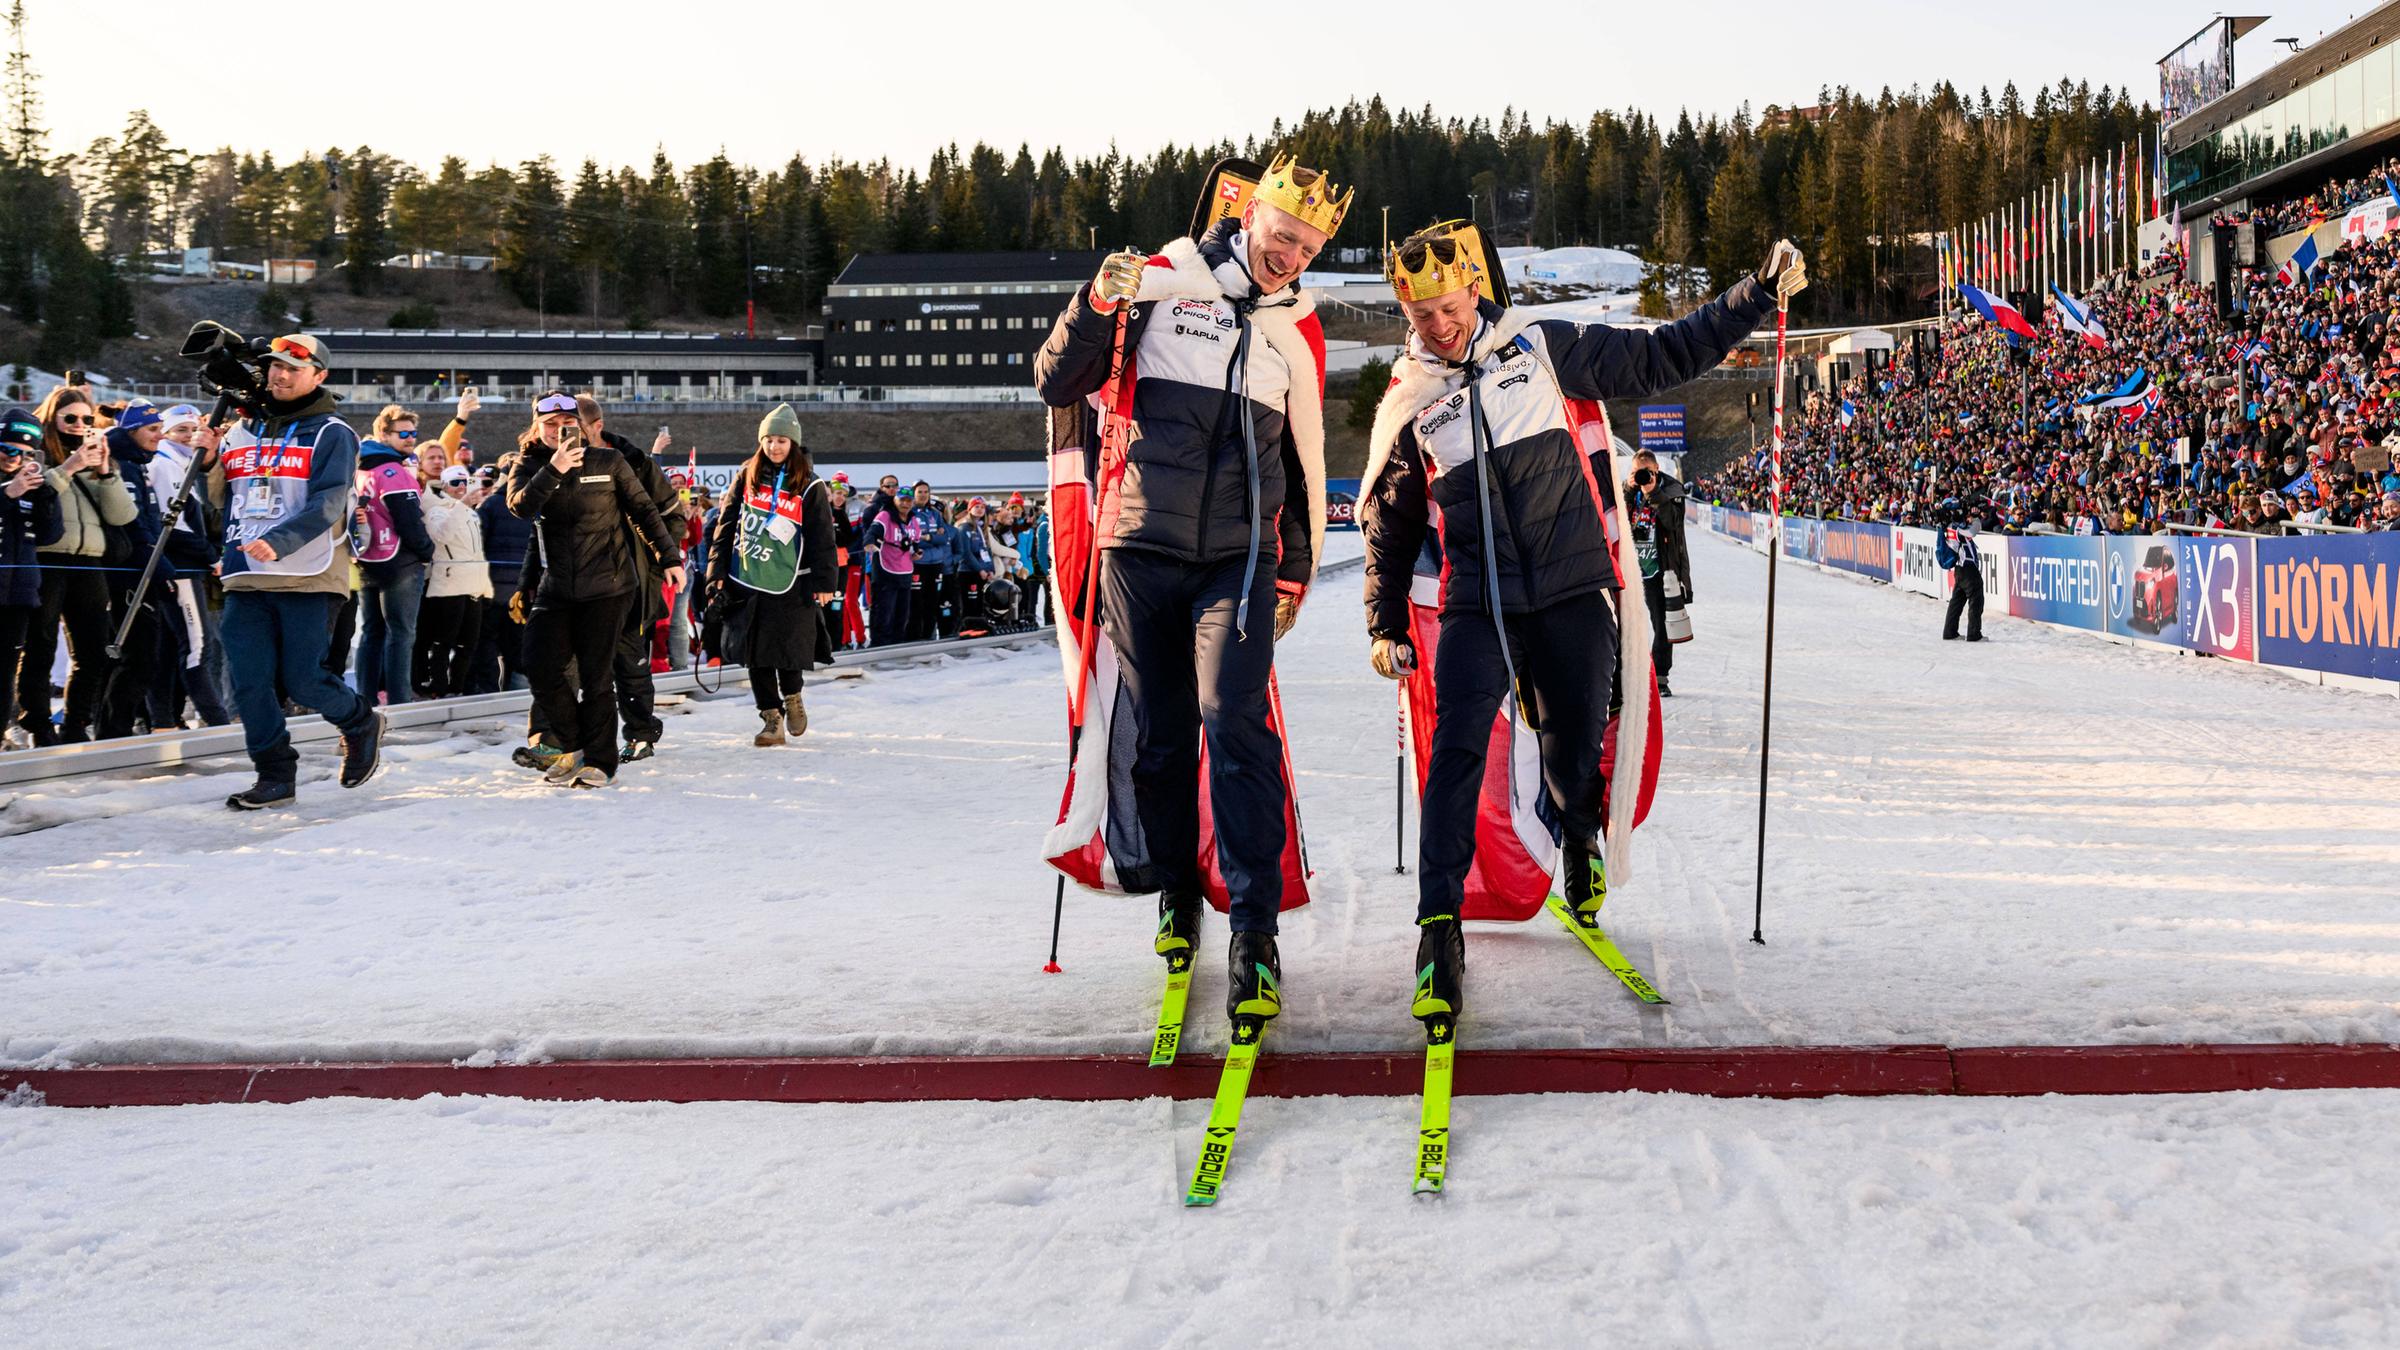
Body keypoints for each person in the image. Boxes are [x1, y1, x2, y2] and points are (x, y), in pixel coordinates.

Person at [1360, 223, 1803, 1028]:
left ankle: (1577, 833)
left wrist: (1757, 295)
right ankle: (1437, 932)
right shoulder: (1412, 393)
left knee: (1571, 745)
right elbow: (1390, 520)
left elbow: (1662, 355)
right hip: (1476, 603)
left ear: (1474, 290)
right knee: (1453, 756)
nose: (1437, 326)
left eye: (1448, 307)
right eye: (1420, 316)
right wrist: (1385, 618)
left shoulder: (1540, 344)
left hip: (1571, 591)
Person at [1034, 153, 1344, 1027]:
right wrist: (1096, 302)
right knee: (1162, 740)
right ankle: (1177, 890)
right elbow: (1059, 381)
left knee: (1233, 720)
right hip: (1139, 547)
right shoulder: (1164, 280)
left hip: (1237, 561)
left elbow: (1298, 465)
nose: (1290, 257)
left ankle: (1254, 934)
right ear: (1251, 217)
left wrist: (1291, 564)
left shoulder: (1298, 330)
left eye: (1308, 248)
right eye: (1283, 236)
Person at [207, 333, 386, 808]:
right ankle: (274, 773)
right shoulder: (240, 432)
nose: (280, 375)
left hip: (308, 573)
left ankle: (358, 721)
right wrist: (209, 461)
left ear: (318, 376)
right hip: (247, 573)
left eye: (293, 368)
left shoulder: (334, 433)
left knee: (304, 679)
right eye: (274, 367)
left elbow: (329, 502)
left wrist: (280, 540)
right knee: (248, 681)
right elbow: (224, 502)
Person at [505, 391, 684, 789]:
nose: (557, 431)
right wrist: (554, 468)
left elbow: (645, 510)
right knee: (539, 663)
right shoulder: (531, 464)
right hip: (557, 587)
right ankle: (572, 743)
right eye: (548, 425)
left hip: (609, 584)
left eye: (565, 423)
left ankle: (600, 762)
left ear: (581, 425)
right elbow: (519, 506)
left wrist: (669, 559)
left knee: (596, 674)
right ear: (537, 427)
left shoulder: (608, 461)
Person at [705, 404, 836, 746]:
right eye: (769, 440)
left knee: (786, 648)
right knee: (755, 651)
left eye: (781, 440)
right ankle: (770, 718)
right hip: (747, 577)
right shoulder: (745, 476)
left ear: (793, 443)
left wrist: (825, 583)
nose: (775, 447)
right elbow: (726, 525)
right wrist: (716, 571)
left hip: (793, 580)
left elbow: (823, 536)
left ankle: (792, 696)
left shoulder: (810, 484)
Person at [572, 395, 684, 763]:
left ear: (596, 427)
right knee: (569, 664)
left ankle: (640, 735)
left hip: (629, 581)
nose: (565, 437)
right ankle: (565, 741)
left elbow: (672, 515)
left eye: (575, 429)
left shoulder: (635, 462)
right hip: (578, 582)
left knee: (628, 662)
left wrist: (654, 561)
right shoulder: (559, 463)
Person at [19, 387, 132, 744]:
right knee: (40, 645)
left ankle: (75, 723)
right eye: (70, 418)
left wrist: (105, 472)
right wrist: (69, 467)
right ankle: (37, 724)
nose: (79, 425)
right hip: (46, 558)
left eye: (87, 419)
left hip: (89, 561)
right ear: (51, 419)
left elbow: (123, 515)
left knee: (93, 649)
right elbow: (33, 494)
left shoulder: (95, 459)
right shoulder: (35, 455)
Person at [146, 405, 232, 729]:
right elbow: (174, 528)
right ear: (166, 433)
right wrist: (212, 557)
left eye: (194, 428)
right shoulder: (166, 465)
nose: (188, 435)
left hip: (182, 567)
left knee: (170, 648)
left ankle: (164, 718)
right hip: (181, 569)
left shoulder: (186, 463)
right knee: (199, 647)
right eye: (180, 429)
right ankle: (216, 719)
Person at [351, 405, 434, 706]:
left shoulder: (361, 468)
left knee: (371, 632)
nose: (411, 439)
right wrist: (427, 551)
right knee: (401, 634)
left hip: (366, 558)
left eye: (413, 433)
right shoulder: (392, 471)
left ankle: (364, 698)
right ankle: (400, 702)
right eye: (403, 433)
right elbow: (408, 520)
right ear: (383, 434)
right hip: (399, 561)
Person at [0, 407, 63, 749]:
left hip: (19, 595)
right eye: (8, 450)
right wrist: (7, 494)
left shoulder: (32, 486)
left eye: (25, 453)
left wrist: (43, 496)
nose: (15, 458)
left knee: (4, 676)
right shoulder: (10, 486)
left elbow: (50, 535)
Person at [415, 465, 491, 698]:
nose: (461, 487)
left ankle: (457, 687)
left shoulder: (468, 511)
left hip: (474, 583)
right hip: (449, 583)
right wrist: (462, 505)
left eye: (464, 482)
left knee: (469, 641)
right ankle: (438, 685)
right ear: (445, 486)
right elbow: (441, 536)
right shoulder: (437, 509)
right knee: (444, 639)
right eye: (455, 483)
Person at [1624, 448, 1692, 698]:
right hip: (1630, 572)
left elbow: (1673, 523)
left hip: (1658, 571)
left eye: (1646, 473)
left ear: (1656, 471)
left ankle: (1660, 676)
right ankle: (1625, 677)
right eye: (1635, 473)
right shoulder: (1626, 492)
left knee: (1662, 626)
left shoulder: (1671, 492)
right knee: (1625, 627)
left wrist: (1654, 494)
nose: (1641, 477)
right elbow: (1614, 517)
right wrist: (1631, 491)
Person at [473, 456, 534, 693]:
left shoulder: (490, 505)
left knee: (487, 642)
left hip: (491, 587)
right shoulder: (534, 506)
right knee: (517, 646)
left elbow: (478, 543)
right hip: (521, 590)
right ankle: (514, 693)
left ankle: (487, 692)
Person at [865, 483, 919, 646]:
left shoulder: (913, 520)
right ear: (895, 500)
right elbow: (872, 532)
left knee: (902, 614)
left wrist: (916, 552)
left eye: (909, 500)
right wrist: (869, 543)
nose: (905, 504)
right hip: (885, 570)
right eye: (902, 500)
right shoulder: (885, 516)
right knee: (884, 612)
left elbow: (914, 542)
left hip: (905, 571)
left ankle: (897, 644)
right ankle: (879, 645)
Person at [1936, 503, 1985, 642]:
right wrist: (1975, 519)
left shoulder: (1948, 527)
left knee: (1956, 602)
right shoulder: (1956, 528)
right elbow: (1972, 532)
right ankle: (1974, 634)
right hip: (1967, 569)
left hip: (1959, 570)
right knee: (1976, 600)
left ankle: (1950, 632)